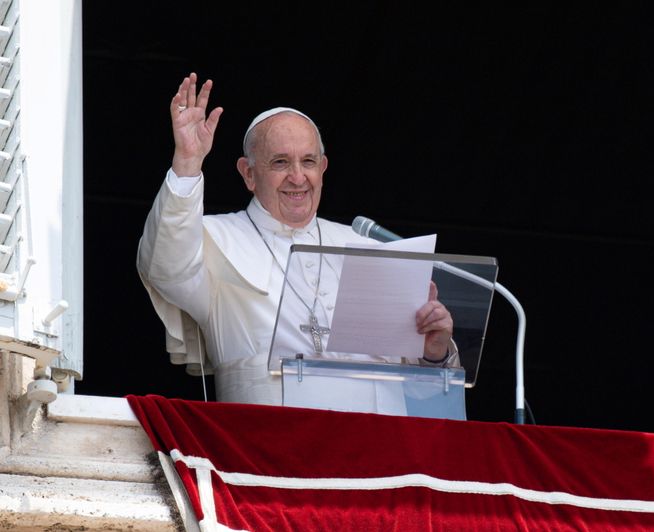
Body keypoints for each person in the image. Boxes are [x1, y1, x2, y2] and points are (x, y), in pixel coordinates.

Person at [137, 73, 456, 408]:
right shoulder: (215, 239)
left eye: (308, 161)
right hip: (263, 451)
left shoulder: (367, 247)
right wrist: (187, 162)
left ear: (323, 168)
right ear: (248, 173)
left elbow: (422, 392)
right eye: (280, 162)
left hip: (379, 453)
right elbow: (166, 267)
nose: (298, 177)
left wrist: (434, 353)